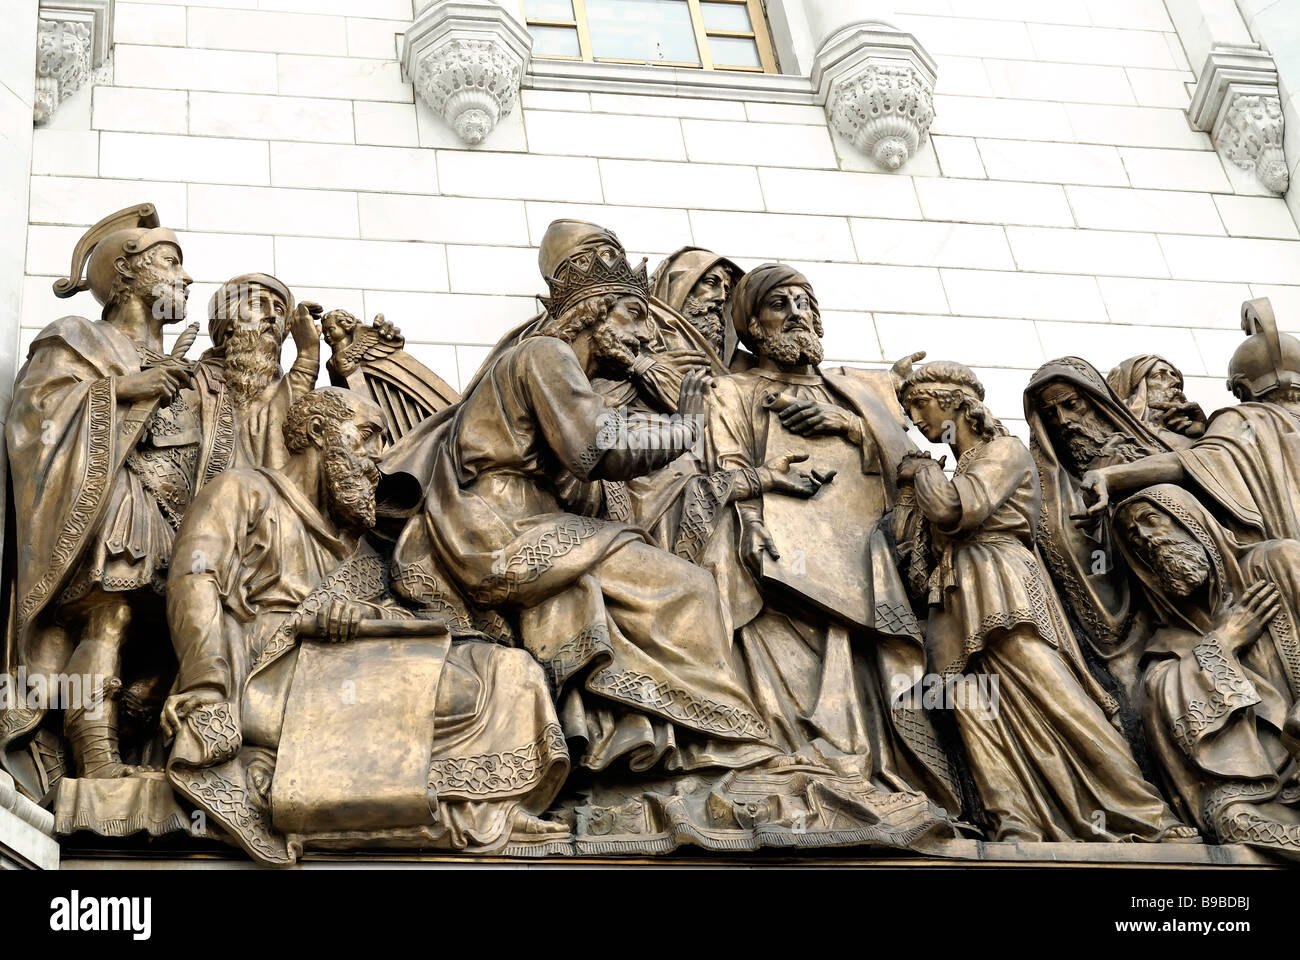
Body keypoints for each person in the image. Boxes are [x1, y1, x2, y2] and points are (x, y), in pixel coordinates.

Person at [162, 387, 569, 864]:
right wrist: (206, 685)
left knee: (507, 670)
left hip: (348, 668)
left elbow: (395, 620)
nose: (378, 459)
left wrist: (365, 616)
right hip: (262, 674)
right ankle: (448, 813)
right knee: (459, 691)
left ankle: (489, 807)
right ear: (317, 432)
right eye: (368, 437)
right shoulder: (243, 491)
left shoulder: (363, 553)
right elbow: (194, 576)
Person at [898, 360, 1197, 843]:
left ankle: (1144, 812)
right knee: (974, 704)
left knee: (1053, 694)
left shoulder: (1003, 450)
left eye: (919, 404)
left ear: (953, 401)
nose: (914, 419)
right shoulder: (961, 465)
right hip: (954, 593)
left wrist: (921, 473)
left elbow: (955, 509)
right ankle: (1014, 821)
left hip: (1001, 580)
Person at [708, 263, 961, 815]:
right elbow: (725, 464)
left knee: (869, 666)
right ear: (752, 325)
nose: (799, 312)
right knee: (794, 668)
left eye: (806, 301)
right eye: (781, 304)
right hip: (782, 559)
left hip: (867, 556)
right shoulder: (732, 389)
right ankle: (807, 770)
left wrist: (851, 426)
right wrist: (750, 524)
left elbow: (914, 467)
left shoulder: (856, 390)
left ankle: (878, 776)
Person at [3, 204, 197, 787]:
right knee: (107, 619)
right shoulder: (77, 336)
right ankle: (95, 760)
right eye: (171, 262)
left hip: (173, 517)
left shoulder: (179, 360)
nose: (186, 279)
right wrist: (121, 390)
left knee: (172, 630)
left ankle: (135, 745)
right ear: (129, 272)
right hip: (113, 505)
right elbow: (33, 420)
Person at [1114, 484, 1300, 856]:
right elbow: (1163, 703)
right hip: (1258, 790)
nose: (1146, 540)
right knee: (1231, 820)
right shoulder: (1167, 644)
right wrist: (1224, 641)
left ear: (1193, 522)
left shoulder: (1278, 562)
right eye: (1134, 539)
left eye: (1152, 522)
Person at [1106, 354, 1207, 447]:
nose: (1176, 381)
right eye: (1159, 375)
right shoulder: (1111, 438)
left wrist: (1201, 429)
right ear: (1136, 391)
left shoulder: (1200, 433)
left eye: (1173, 375)